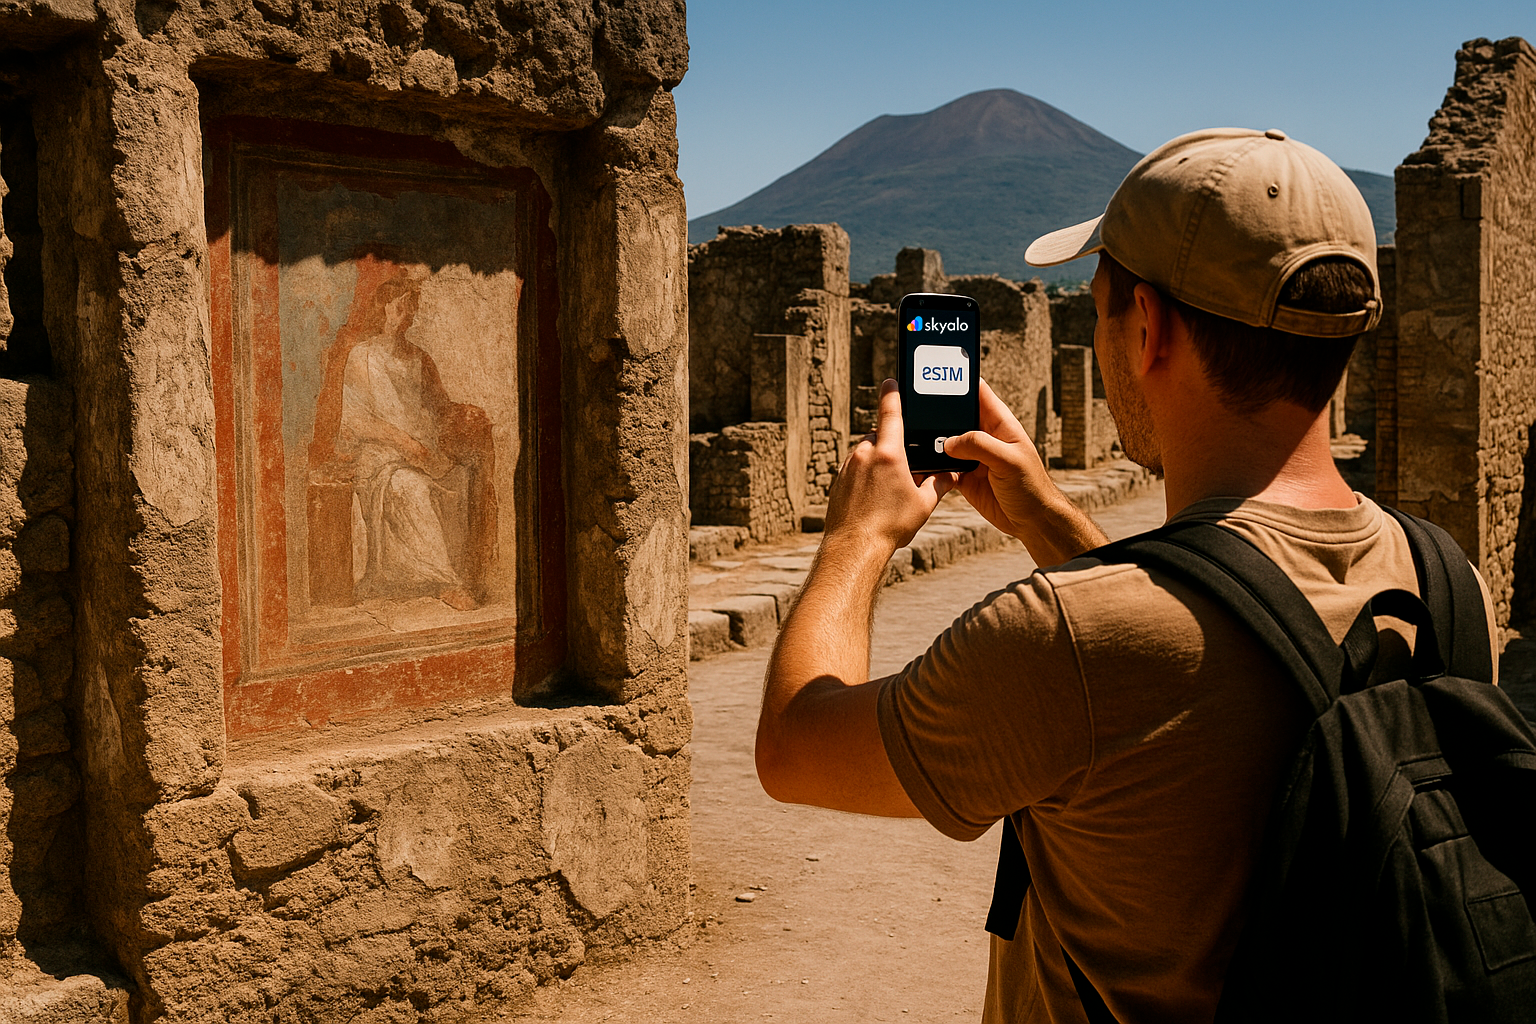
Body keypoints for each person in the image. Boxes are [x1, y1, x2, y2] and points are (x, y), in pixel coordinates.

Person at [754, 127, 1498, 1023]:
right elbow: (1226, 638)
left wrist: (856, 538)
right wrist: (1049, 516)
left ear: (1149, 328)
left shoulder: (1060, 640)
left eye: (1101, 304)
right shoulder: (1449, 585)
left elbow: (795, 746)